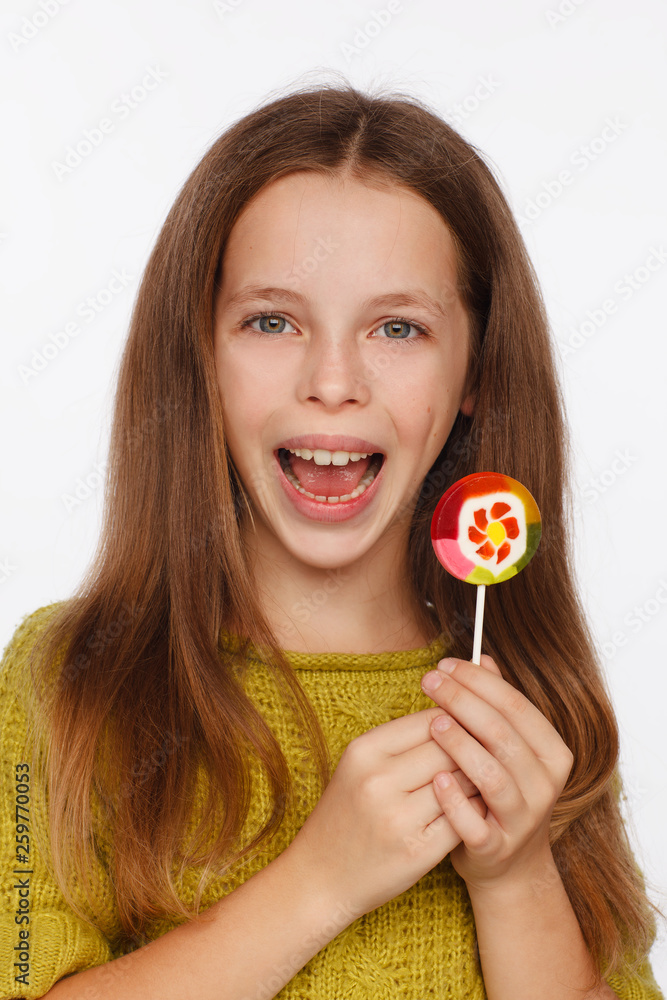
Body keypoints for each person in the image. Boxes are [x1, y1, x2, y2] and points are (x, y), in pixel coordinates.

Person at [0, 80, 662, 1000]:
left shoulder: (531, 703)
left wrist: (514, 878)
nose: (334, 380)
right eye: (271, 320)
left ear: (473, 368)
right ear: (201, 351)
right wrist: (321, 881)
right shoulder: (67, 679)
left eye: (399, 327)